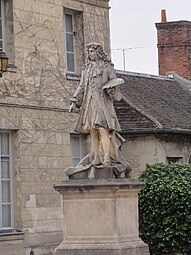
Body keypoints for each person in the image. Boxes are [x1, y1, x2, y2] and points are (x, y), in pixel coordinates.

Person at [69, 43, 131, 173]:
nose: (90, 54)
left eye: (92, 51)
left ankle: (107, 157)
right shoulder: (87, 69)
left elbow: (115, 83)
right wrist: (74, 101)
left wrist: (111, 90)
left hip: (102, 102)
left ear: (98, 53)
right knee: (93, 131)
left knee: (103, 130)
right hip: (89, 102)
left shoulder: (107, 67)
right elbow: (81, 86)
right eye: (89, 51)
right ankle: (97, 157)